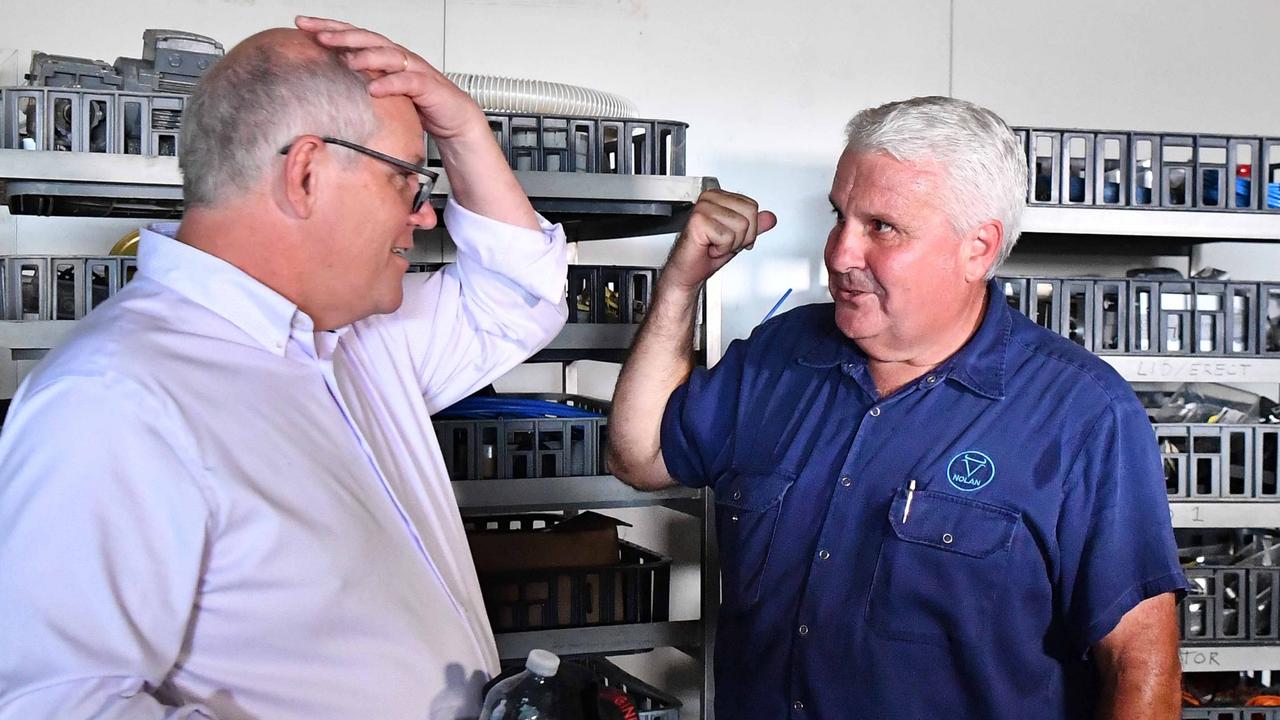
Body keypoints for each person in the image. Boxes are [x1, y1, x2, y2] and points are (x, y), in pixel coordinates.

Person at [0, 17, 567, 720]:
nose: (424, 217)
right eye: (407, 182)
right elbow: (58, 705)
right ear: (305, 173)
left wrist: (465, 131)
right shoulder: (113, 402)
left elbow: (519, 297)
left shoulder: (357, 340)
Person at [608, 96, 1186, 720]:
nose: (839, 253)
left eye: (881, 227)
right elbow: (639, 455)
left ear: (978, 249)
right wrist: (680, 283)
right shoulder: (781, 356)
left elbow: (1138, 664)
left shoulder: (1081, 413)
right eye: (840, 217)